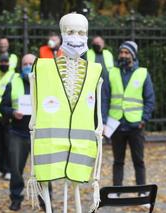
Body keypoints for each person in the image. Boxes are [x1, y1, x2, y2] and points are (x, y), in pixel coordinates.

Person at [28, 13, 103, 212]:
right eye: (70, 32)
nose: (76, 38)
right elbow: (34, 114)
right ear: (62, 34)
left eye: (81, 33)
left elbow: (98, 115)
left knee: (77, 190)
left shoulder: (95, 70)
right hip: (49, 145)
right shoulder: (43, 68)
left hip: (81, 146)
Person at [102, 41, 155, 191]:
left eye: (127, 53)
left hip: (135, 125)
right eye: (121, 52)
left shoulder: (143, 73)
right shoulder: (111, 73)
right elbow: (104, 98)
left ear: (133, 55)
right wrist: (104, 121)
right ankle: (116, 191)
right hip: (116, 124)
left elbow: (150, 99)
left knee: (139, 161)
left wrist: (144, 119)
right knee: (118, 161)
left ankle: (141, 192)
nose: (123, 55)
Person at [0, 53, 35, 211]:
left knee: (44, 170)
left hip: (38, 134)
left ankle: (45, 200)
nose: (27, 66)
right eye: (24, 64)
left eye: (30, 63)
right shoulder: (13, 83)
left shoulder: (45, 83)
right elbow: (2, 107)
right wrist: (13, 112)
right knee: (15, 169)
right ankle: (16, 198)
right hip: (17, 133)